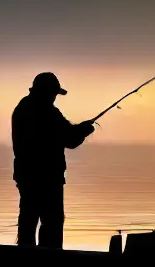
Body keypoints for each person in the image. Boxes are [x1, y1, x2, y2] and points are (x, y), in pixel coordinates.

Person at [12, 72, 95, 248]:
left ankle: (24, 261)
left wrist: (79, 130)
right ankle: (51, 264)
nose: (54, 98)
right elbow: (70, 139)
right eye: (53, 94)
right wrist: (83, 130)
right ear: (46, 92)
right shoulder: (48, 112)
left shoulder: (22, 108)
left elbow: (65, 134)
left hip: (26, 176)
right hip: (48, 178)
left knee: (28, 220)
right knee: (52, 222)